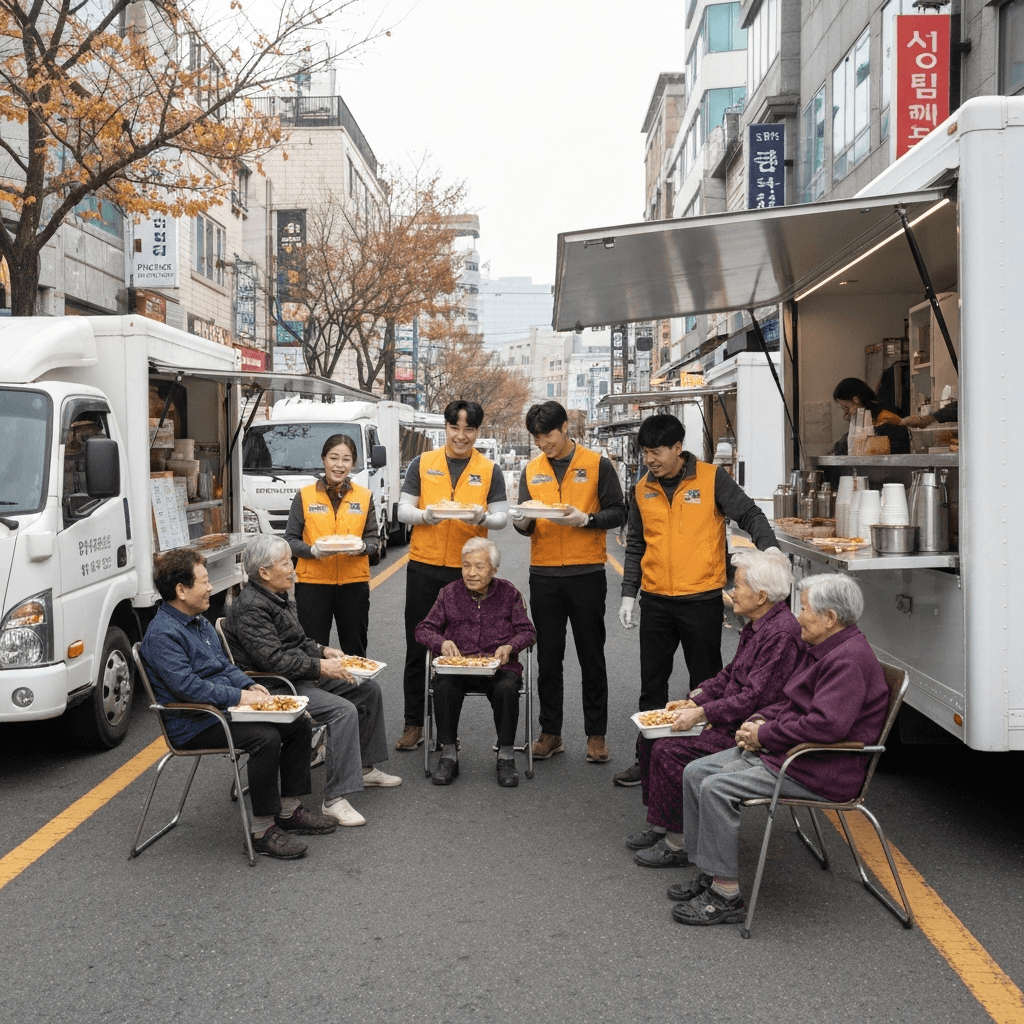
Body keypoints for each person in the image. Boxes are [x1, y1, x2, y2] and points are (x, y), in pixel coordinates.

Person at [671, 573, 889, 926]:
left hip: (819, 768)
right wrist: (758, 721)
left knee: (716, 786)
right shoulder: (827, 647)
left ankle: (726, 895)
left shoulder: (847, 660)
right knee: (696, 772)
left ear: (829, 618)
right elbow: (792, 701)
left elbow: (825, 727)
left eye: (804, 609)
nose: (797, 616)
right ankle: (711, 873)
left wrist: (765, 735)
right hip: (792, 753)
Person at [614, 413, 780, 787]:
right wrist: (628, 594)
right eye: (645, 452)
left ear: (678, 448)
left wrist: (769, 548)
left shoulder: (711, 478)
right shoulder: (642, 488)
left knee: (706, 685)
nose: (650, 460)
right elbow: (636, 544)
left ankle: (706, 758)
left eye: (657, 452)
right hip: (656, 601)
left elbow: (749, 513)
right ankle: (647, 759)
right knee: (652, 686)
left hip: (701, 600)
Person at [139, 548, 337, 860]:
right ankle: (261, 831)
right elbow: (187, 687)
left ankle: (289, 810)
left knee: (298, 721)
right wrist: (241, 697)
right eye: (204, 582)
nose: (210, 588)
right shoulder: (163, 633)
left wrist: (247, 684)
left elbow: (224, 665)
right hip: (194, 722)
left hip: (223, 711)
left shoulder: (199, 621)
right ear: (181, 590)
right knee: (265, 737)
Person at [627, 549, 805, 867]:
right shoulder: (759, 624)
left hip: (749, 729)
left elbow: (753, 699)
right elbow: (729, 675)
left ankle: (678, 842)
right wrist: (695, 700)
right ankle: (662, 823)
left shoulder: (780, 634)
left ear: (761, 596)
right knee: (650, 738)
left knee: (669, 749)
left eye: (739, 585)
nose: (731, 591)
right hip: (732, 717)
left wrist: (703, 713)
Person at [223, 535, 401, 828]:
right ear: (264, 572)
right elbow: (275, 662)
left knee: (367, 690)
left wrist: (323, 650)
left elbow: (297, 640)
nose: (292, 568)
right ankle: (334, 798)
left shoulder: (276, 594)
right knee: (343, 711)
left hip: (298, 674)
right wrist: (322, 667)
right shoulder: (252, 607)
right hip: (277, 686)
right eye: (285, 563)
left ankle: (364, 767)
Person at [509, 401, 626, 765]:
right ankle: (551, 733)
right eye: (537, 437)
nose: (543, 443)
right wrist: (522, 520)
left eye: (548, 435)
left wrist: (586, 520)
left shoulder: (597, 464)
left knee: (592, 656)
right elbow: (524, 522)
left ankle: (596, 735)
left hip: (586, 572)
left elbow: (618, 512)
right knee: (548, 658)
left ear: (565, 427)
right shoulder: (532, 469)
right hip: (544, 573)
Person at [394, 400, 508, 751]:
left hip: (469, 572)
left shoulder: (489, 469)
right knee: (418, 646)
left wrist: (481, 518)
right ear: (445, 428)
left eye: (469, 429)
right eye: (455, 427)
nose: (461, 436)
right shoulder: (422, 462)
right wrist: (424, 516)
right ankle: (414, 723)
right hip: (424, 566)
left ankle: (446, 732)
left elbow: (502, 517)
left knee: (461, 650)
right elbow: (403, 509)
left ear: (477, 431)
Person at [415, 538, 536, 788]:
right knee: (444, 686)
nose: (471, 573)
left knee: (507, 688)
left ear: (493, 569)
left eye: (479, 567)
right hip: (458, 666)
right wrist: (441, 643)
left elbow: (528, 631)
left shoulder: (509, 593)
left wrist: (510, 647)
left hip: (498, 666)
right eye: (466, 565)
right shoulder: (448, 593)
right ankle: (449, 754)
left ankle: (506, 755)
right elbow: (423, 629)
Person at [285, 432, 379, 656]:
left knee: (355, 649)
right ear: (323, 460)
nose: (339, 465)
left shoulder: (364, 497)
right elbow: (290, 540)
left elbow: (374, 539)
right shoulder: (304, 496)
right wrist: (312, 551)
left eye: (346, 459)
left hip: (353, 584)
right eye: (333, 458)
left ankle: (355, 680)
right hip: (312, 585)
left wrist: (363, 548)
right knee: (312, 650)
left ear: (353, 463)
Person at [832, 377, 910, 454]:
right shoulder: (867, 419)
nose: (845, 413)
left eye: (846, 408)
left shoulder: (884, 418)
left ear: (856, 400)